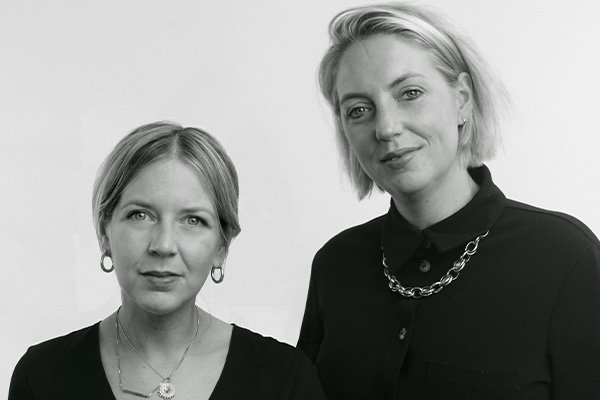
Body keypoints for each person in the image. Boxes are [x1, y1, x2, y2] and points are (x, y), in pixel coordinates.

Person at [297, 3, 600, 399]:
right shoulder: (336, 266)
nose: (386, 128)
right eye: (358, 110)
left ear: (462, 99)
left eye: (410, 93)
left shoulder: (563, 257)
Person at [9, 122, 325, 400]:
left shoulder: (286, 380)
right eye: (140, 215)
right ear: (105, 232)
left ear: (221, 245)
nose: (163, 245)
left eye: (192, 220)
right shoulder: (41, 377)